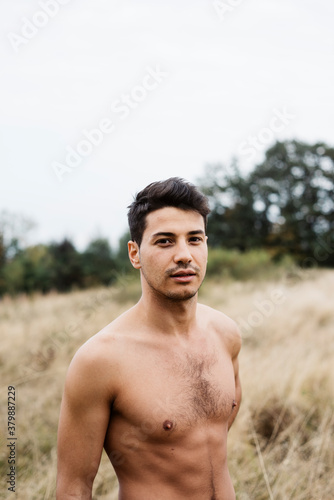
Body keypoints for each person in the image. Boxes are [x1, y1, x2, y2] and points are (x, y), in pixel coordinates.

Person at [56, 177, 242, 500]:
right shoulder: (100, 360)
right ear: (135, 253)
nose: (184, 255)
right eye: (165, 241)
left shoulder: (226, 334)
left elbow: (210, 435)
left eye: (194, 239)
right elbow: (73, 487)